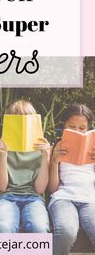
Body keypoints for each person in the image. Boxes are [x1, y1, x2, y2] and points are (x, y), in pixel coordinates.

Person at [0, 99, 50, 233]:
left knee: (40, 228)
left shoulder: (41, 148)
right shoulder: (2, 148)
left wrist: (45, 157)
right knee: (3, 227)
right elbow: (1, 187)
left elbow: (40, 188)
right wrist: (3, 155)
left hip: (33, 198)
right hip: (6, 197)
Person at [48, 103, 95, 255]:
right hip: (64, 198)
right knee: (65, 231)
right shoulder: (57, 147)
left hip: (90, 200)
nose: (77, 131)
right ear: (64, 126)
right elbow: (53, 188)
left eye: (82, 128)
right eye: (72, 127)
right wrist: (54, 161)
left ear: (88, 128)